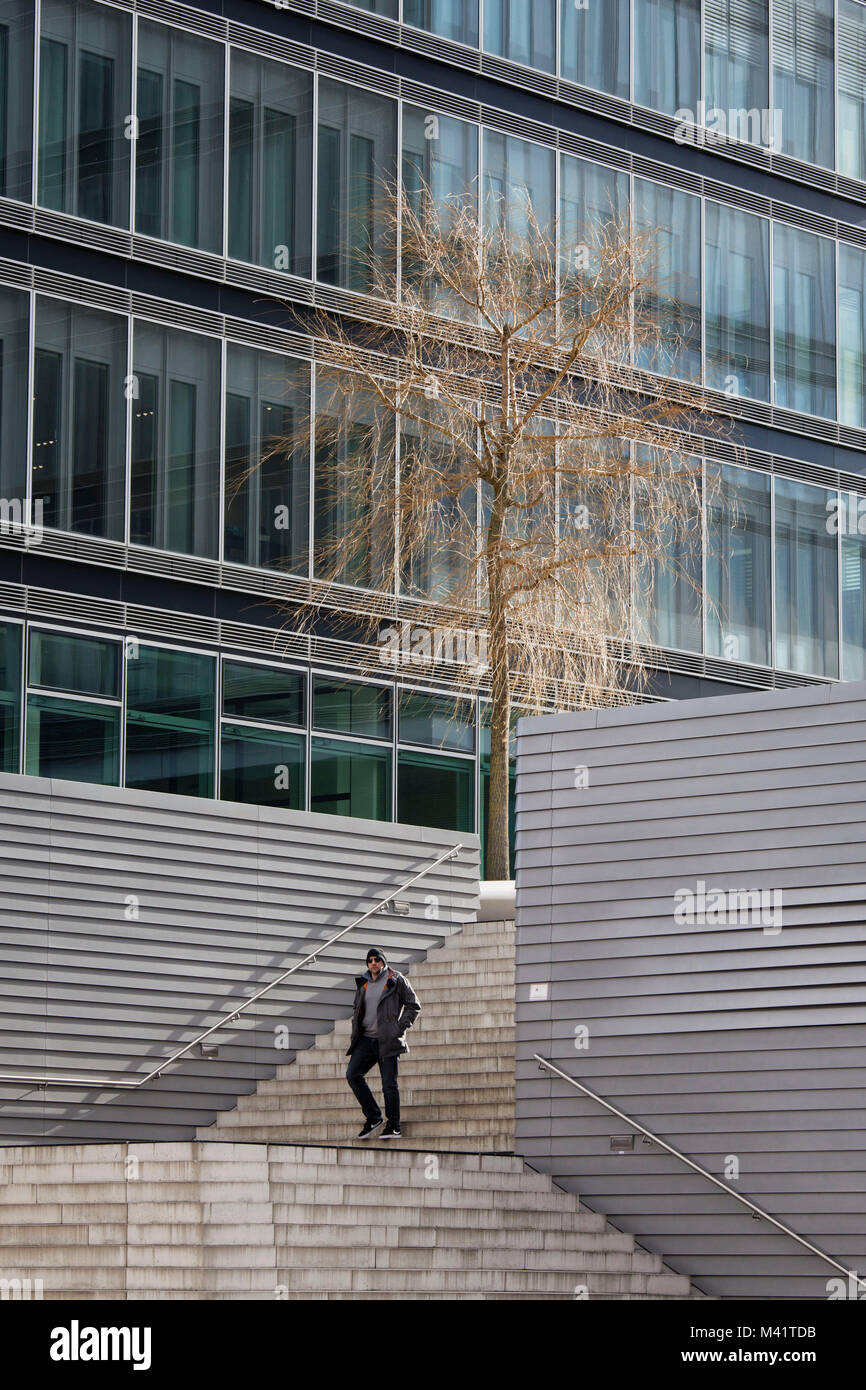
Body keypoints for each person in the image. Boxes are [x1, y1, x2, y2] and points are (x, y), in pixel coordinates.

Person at [345, 947, 421, 1139]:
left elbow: (413, 1005)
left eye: (377, 960)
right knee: (353, 1074)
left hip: (387, 1040)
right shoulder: (363, 983)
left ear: (383, 962)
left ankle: (394, 1125)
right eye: (370, 960)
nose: (373, 963)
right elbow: (357, 1008)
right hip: (365, 1040)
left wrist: (398, 1028)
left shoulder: (396, 979)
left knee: (389, 1084)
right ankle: (373, 1117)